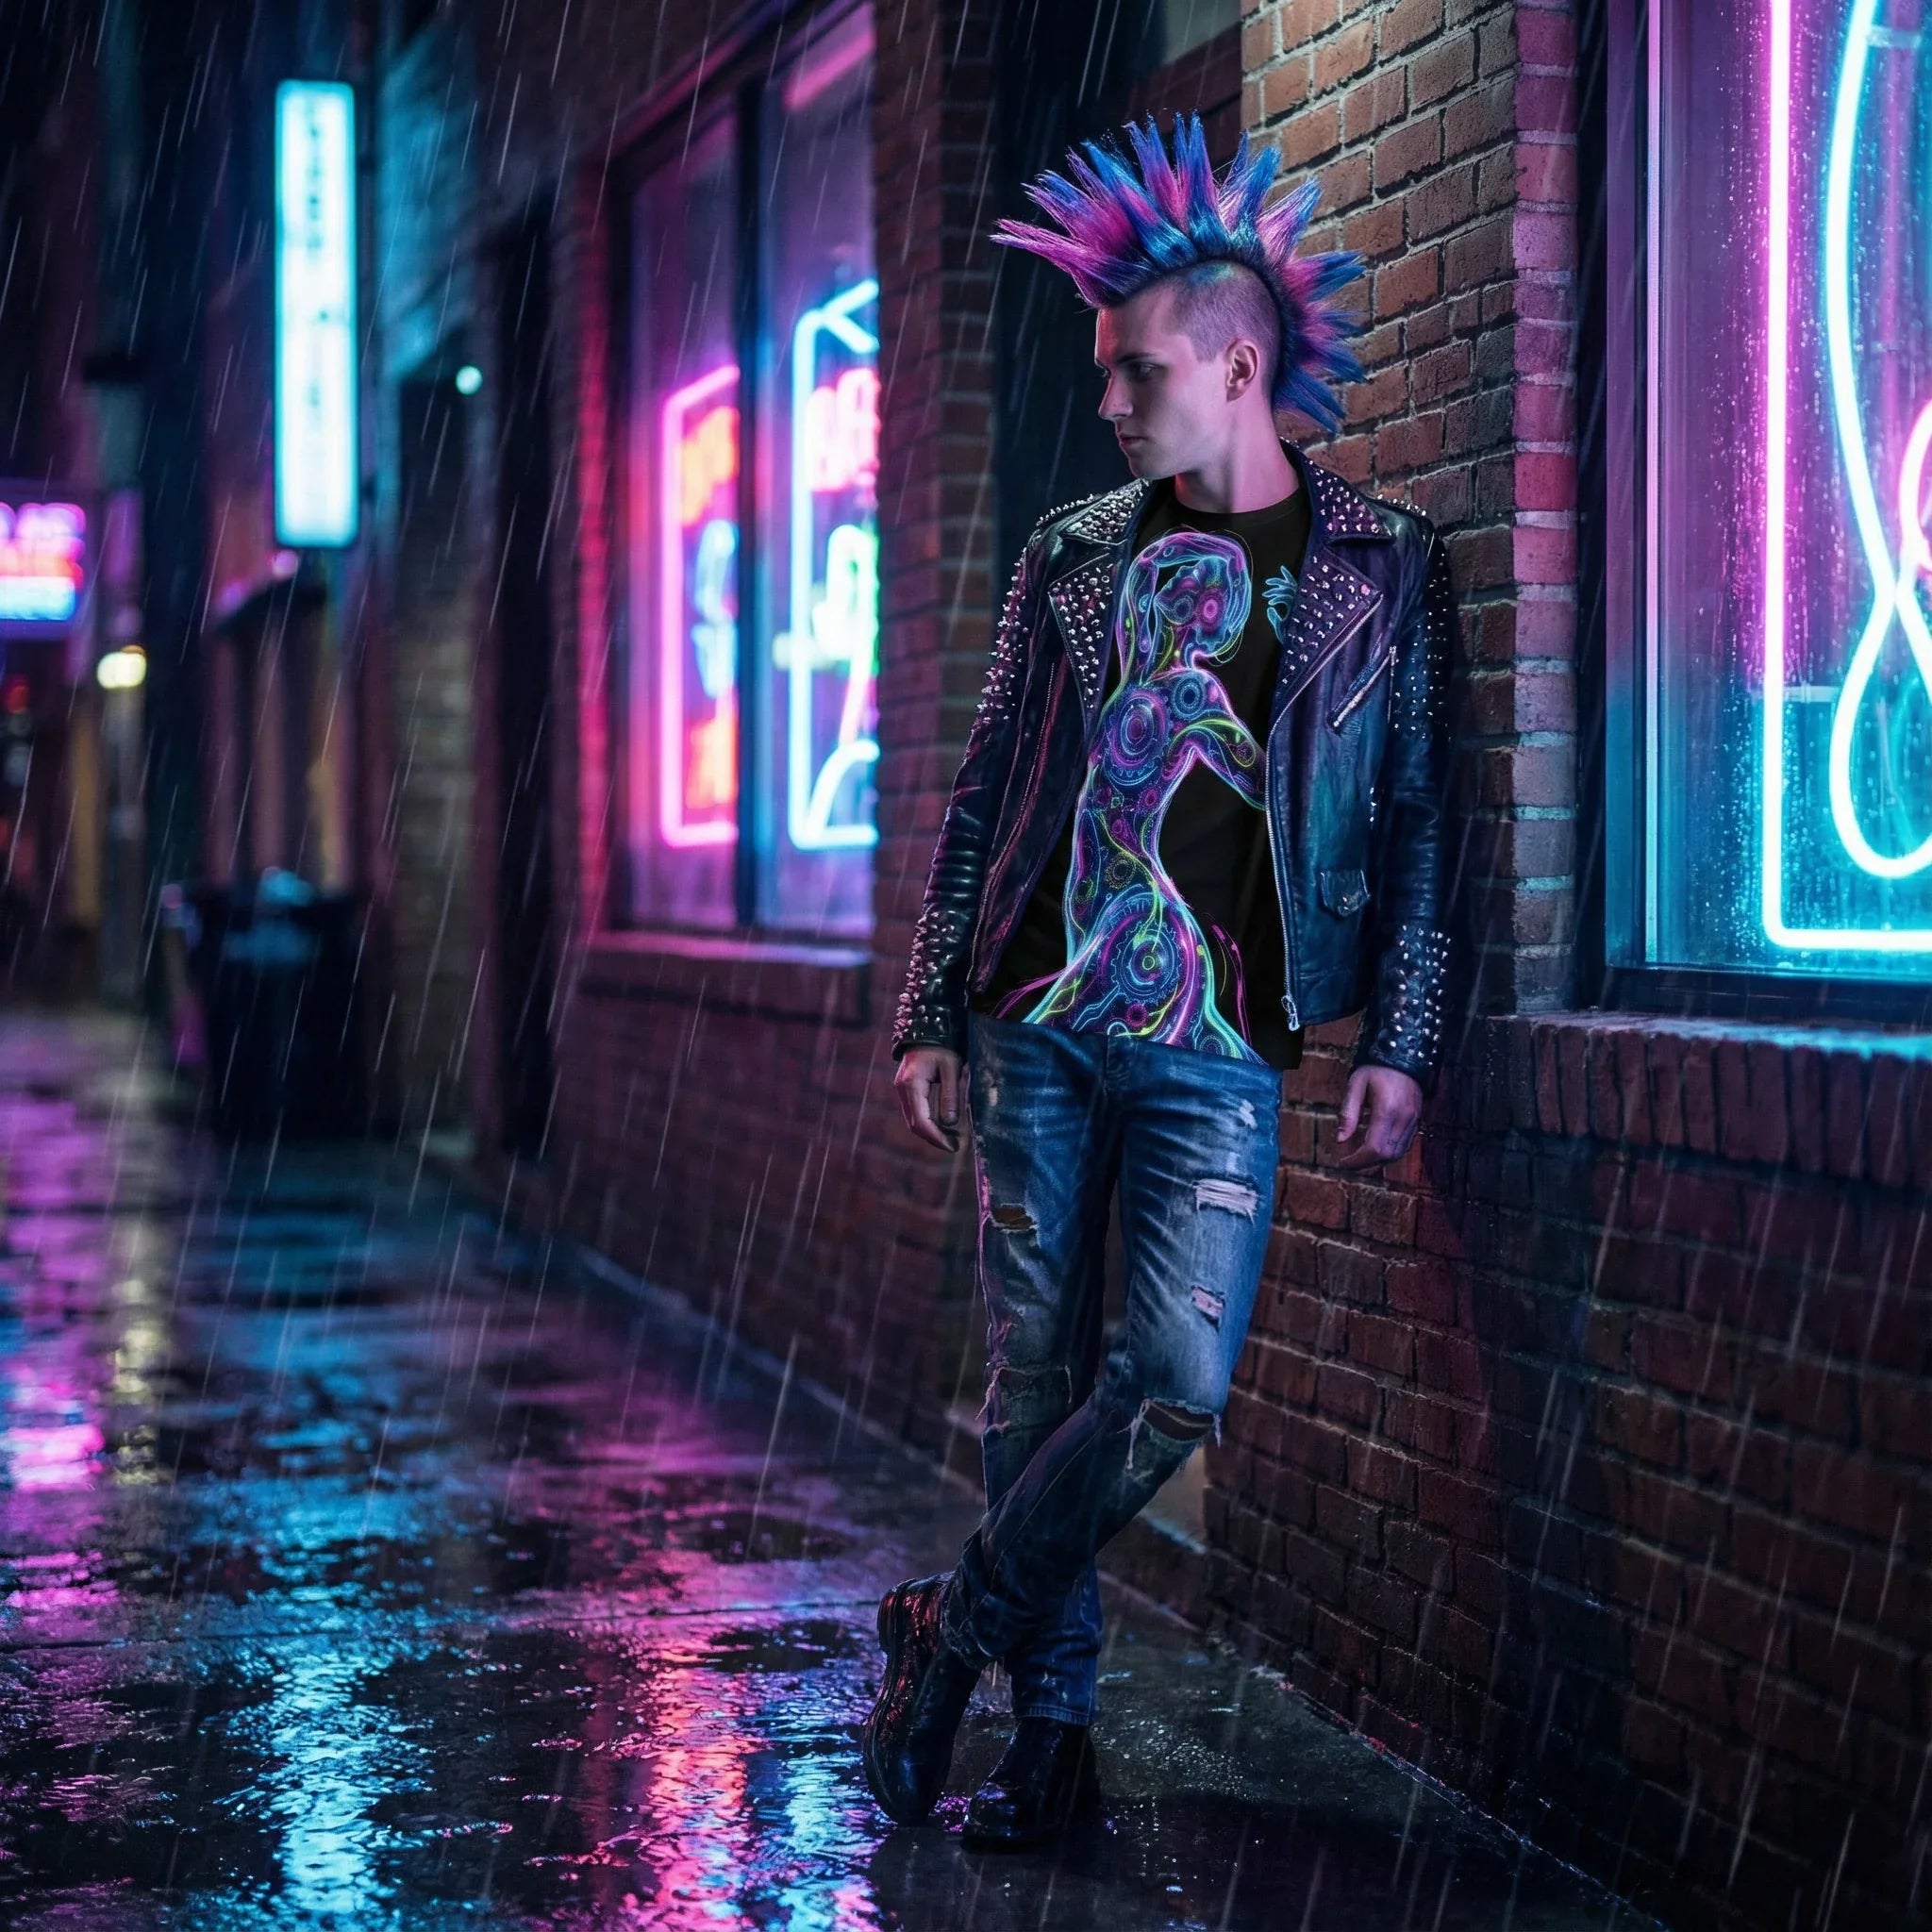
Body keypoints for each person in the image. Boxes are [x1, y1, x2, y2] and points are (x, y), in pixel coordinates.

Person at [863, 113, 1456, 1850]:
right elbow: (986, 795)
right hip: (1039, 1026)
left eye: (1136, 374)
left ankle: (951, 1628)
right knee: (1036, 1382)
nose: (1111, 405)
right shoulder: (1070, 556)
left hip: (1221, 1047)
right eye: (1107, 378)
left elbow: (1421, 823)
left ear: (1239, 363)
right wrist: (921, 1008)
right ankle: (1050, 1753)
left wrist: (1403, 1039)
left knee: (1173, 1383)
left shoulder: (1378, 568)